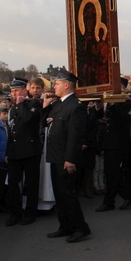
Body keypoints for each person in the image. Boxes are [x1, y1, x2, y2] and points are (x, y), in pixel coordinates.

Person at [43, 70, 91, 243]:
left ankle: (80, 228)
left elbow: (75, 136)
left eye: (56, 83)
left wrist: (70, 159)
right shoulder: (57, 105)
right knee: (59, 195)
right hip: (55, 156)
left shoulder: (75, 107)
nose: (54, 86)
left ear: (66, 85)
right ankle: (65, 226)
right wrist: (45, 106)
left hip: (66, 158)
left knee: (68, 195)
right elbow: (46, 123)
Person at [4, 77, 43, 226]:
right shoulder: (13, 108)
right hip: (15, 151)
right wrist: (8, 152)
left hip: (30, 150)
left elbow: (28, 120)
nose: (14, 94)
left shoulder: (32, 104)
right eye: (12, 91)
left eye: (17, 91)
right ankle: (15, 212)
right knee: (13, 184)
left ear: (25, 90)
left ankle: (30, 212)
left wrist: (20, 104)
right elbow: (11, 131)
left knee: (31, 183)